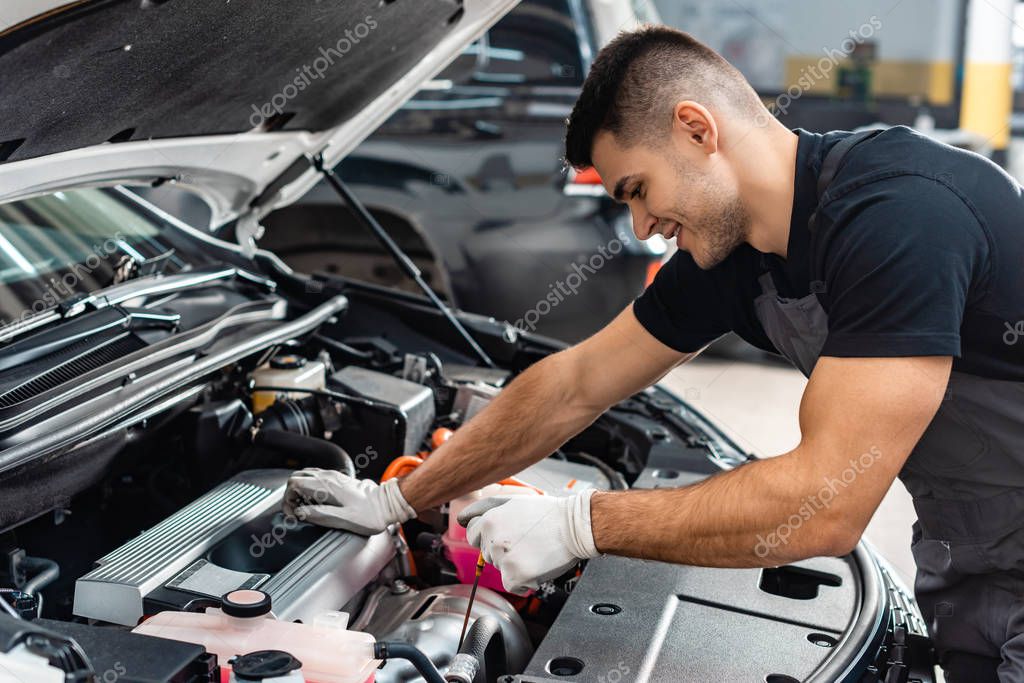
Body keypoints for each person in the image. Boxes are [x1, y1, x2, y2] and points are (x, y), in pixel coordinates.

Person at [283, 26, 1024, 682]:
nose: (643, 224)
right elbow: (574, 384)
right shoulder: (738, 258)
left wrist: (580, 525)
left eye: (638, 189)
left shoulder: (899, 215)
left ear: (697, 129)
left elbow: (824, 505)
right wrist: (398, 499)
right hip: (968, 563)